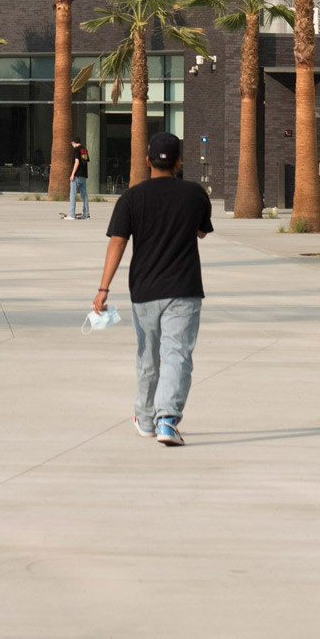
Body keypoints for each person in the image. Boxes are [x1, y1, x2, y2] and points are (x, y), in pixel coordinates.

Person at [94, 132, 212, 447]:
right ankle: (167, 420)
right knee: (176, 355)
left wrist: (103, 289)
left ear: (147, 161)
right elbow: (201, 232)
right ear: (179, 161)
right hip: (184, 289)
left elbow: (117, 242)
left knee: (148, 357)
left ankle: (146, 419)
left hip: (144, 290)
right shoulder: (195, 194)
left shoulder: (131, 198)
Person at [64, 138, 90, 221]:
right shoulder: (84, 149)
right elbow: (85, 162)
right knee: (84, 195)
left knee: (73, 195)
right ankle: (86, 214)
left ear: (73, 142)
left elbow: (77, 162)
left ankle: (71, 214)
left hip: (77, 176)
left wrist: (72, 174)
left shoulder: (76, 150)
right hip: (84, 175)